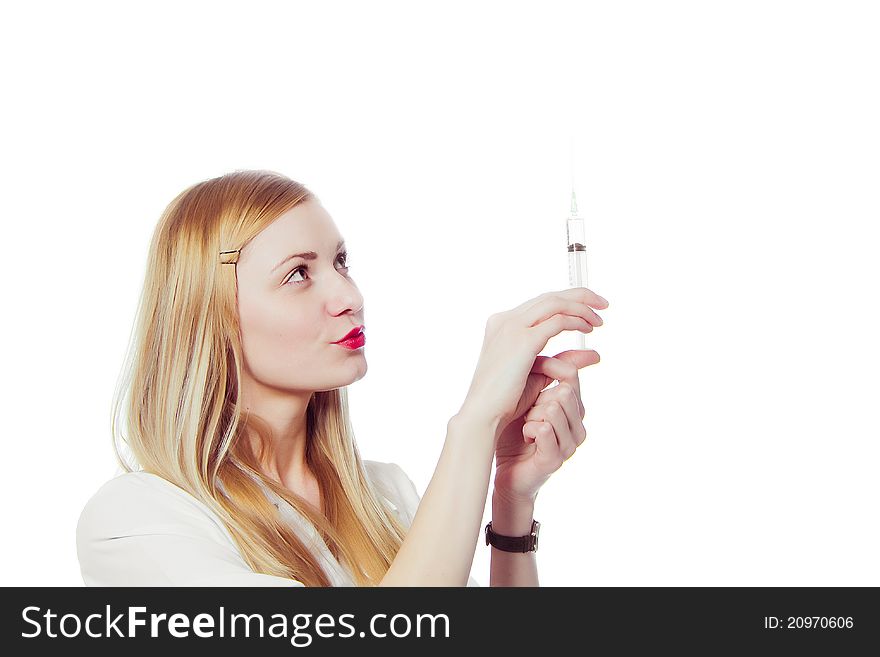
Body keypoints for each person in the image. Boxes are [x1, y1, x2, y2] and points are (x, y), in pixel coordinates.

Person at [75, 170, 609, 587]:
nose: (349, 298)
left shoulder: (385, 496)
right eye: (298, 274)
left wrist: (512, 501)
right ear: (211, 313)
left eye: (341, 262)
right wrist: (473, 423)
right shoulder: (139, 520)